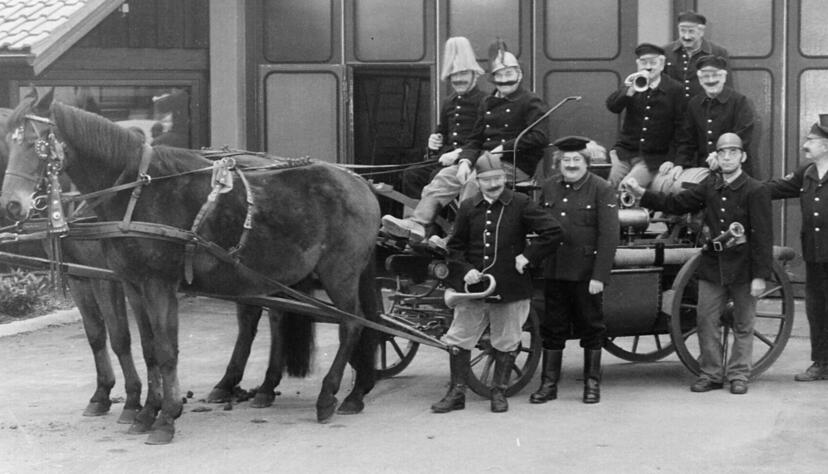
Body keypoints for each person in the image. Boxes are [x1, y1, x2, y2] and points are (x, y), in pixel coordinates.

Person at [623, 133, 772, 395]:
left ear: (743, 157)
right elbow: (676, 204)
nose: (727, 158)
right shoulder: (710, 186)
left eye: (733, 153)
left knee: (742, 323)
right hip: (713, 265)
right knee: (706, 320)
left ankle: (739, 374)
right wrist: (642, 193)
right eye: (722, 153)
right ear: (717, 156)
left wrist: (760, 276)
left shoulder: (756, 190)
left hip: (744, 267)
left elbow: (762, 236)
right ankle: (711, 373)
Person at [431, 152, 563, 414]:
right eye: (487, 180)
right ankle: (457, 393)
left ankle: (499, 392)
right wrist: (465, 269)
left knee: (507, 340)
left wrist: (528, 257)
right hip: (473, 290)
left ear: (505, 178)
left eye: (499, 178)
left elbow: (553, 232)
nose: (494, 184)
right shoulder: (469, 207)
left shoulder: (521, 203)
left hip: (510, 287)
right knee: (459, 339)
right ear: (477, 181)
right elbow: (455, 247)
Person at [382, 40, 550, 242]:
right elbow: (475, 139)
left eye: (509, 74)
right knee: (445, 176)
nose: (505, 80)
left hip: (514, 163)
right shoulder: (488, 102)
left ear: (519, 75)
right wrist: (464, 161)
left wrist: (503, 148)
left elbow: (540, 136)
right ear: (493, 78)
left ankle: (456, 238)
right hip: (483, 161)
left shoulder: (530, 101)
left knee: (473, 182)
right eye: (500, 75)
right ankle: (417, 224)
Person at [531, 136, 619, 405]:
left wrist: (599, 276)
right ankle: (548, 385)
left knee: (591, 327)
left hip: (585, 274)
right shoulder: (548, 187)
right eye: (566, 160)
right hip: (555, 270)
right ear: (559, 164)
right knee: (552, 327)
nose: (571, 165)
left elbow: (609, 236)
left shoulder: (601, 188)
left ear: (586, 163)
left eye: (576, 160)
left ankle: (592, 384)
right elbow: (539, 226)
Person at [766, 115, 828, 381]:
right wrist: (746, 187)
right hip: (815, 254)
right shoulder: (807, 173)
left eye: (811, 140)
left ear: (826, 145)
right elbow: (777, 187)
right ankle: (821, 363)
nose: (806, 144)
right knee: (817, 309)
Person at [400, 37, 486, 199]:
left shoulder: (485, 101)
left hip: (472, 160)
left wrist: (458, 154)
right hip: (446, 158)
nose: (458, 79)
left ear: (475, 75)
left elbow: (484, 139)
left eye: (463, 73)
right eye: (454, 75)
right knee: (411, 174)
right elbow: (443, 131)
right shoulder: (449, 101)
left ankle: (442, 223)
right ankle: (420, 222)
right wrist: (434, 140)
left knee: (436, 176)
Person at [661, 55, 757, 178]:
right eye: (706, 76)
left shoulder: (739, 101)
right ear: (700, 80)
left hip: (736, 171)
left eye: (715, 75)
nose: (711, 80)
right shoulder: (694, 104)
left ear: (723, 77)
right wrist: (680, 164)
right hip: (705, 171)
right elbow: (687, 140)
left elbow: (743, 136)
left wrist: (721, 155)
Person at [606, 43, 684, 190]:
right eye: (644, 63)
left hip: (653, 158)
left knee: (627, 187)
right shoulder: (633, 84)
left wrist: (672, 159)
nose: (648, 67)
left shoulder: (675, 89)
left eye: (653, 62)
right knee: (609, 187)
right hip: (626, 152)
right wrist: (628, 91)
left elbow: (681, 129)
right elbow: (612, 106)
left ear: (662, 64)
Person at [663, 10, 731, 101]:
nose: (686, 36)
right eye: (682, 31)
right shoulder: (666, 51)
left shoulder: (718, 52)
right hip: (674, 110)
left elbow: (727, 87)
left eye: (691, 31)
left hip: (705, 109)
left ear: (701, 32)